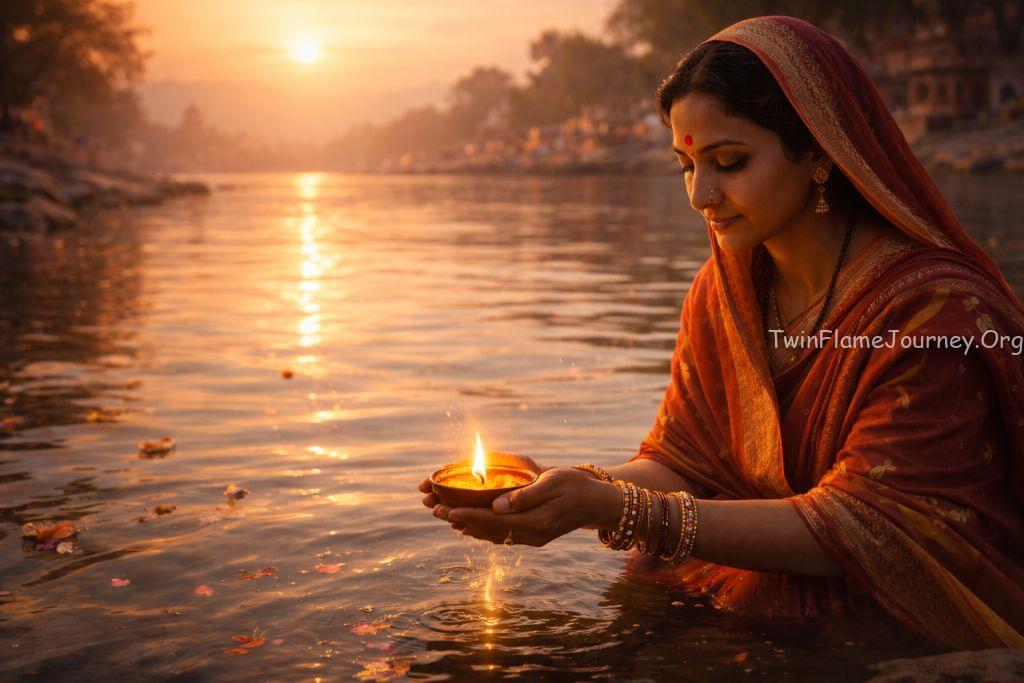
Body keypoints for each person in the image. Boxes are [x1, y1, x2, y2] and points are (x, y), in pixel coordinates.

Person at [418, 15, 1024, 649]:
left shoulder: (931, 314)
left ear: (818, 152)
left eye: (729, 162)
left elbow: (867, 528)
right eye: (686, 165)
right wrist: (567, 489)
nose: (701, 195)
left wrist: (615, 509)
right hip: (753, 587)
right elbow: (685, 463)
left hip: (904, 615)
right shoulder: (726, 290)